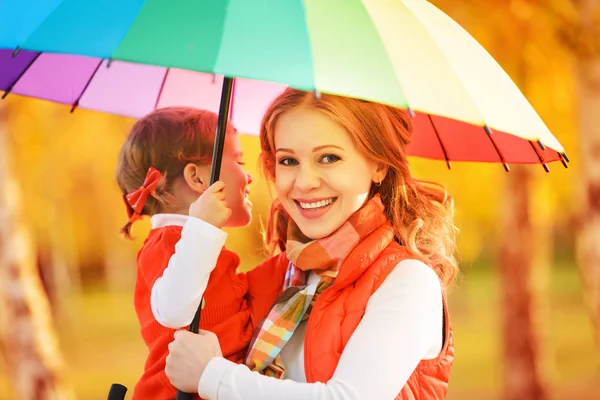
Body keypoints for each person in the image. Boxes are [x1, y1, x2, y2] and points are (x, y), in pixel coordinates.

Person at [165, 90, 458, 399]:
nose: (304, 182)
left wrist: (213, 375)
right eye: (288, 160)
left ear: (378, 165)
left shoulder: (407, 281)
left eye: (329, 158)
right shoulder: (280, 277)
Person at [115, 107, 283, 400]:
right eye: (239, 161)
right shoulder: (169, 243)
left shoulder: (199, 248)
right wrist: (202, 228)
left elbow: (243, 298)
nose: (249, 177)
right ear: (197, 179)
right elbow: (173, 310)